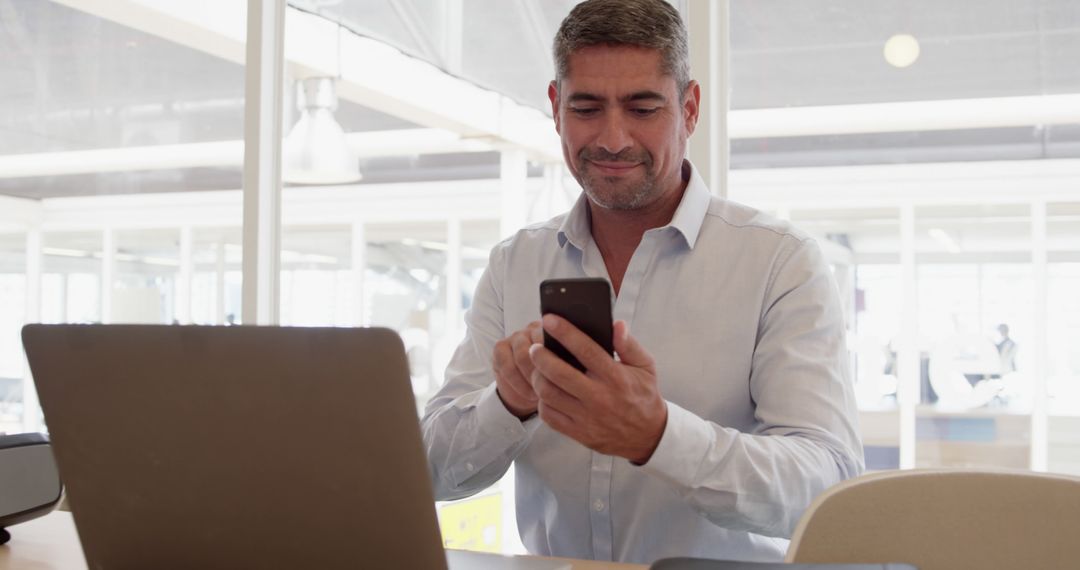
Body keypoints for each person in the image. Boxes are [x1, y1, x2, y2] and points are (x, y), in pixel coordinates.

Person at [421, 0, 863, 563]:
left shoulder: (780, 262)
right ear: (556, 107)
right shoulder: (514, 264)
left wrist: (657, 436)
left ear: (690, 107)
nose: (611, 138)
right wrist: (506, 404)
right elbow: (428, 472)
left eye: (642, 107)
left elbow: (826, 487)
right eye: (586, 107)